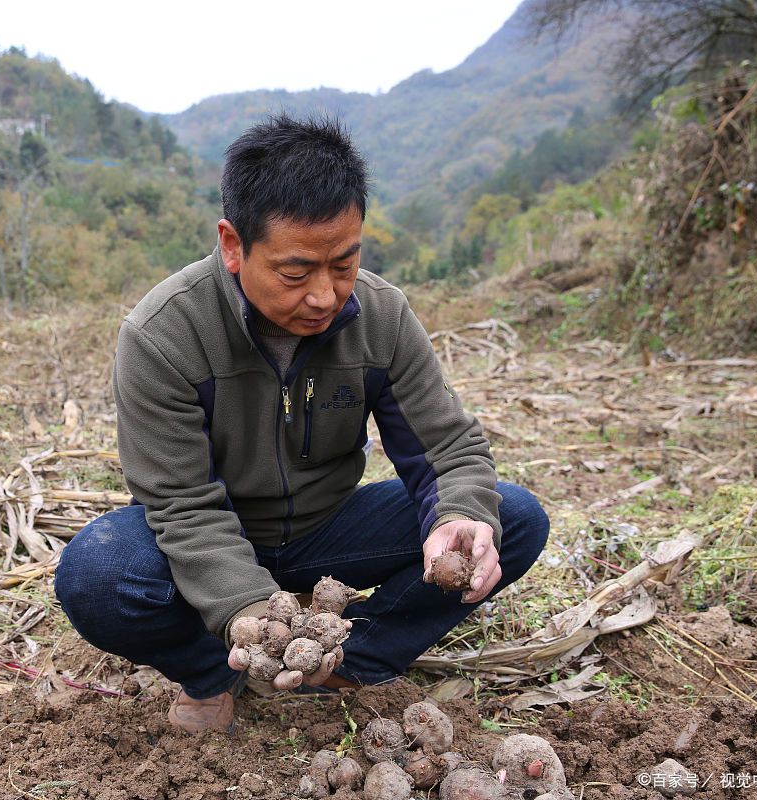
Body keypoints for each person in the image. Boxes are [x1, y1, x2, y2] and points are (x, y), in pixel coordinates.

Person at [55, 115, 549, 734]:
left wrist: (458, 516)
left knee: (511, 516)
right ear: (234, 246)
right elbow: (183, 506)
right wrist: (250, 609)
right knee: (98, 574)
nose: (324, 296)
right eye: (295, 274)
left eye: (344, 264)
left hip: (328, 533)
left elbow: (445, 446)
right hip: (214, 537)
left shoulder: (383, 317)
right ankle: (215, 672)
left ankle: (349, 660)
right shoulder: (165, 336)